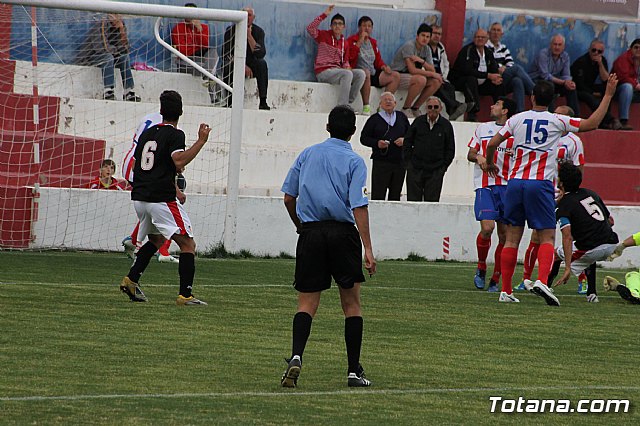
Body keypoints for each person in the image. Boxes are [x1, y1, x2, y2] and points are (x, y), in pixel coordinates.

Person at [485, 74, 617, 306]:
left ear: (532, 97)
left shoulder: (517, 119)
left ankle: (506, 291)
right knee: (547, 235)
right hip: (541, 184)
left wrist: (490, 162)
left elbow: (493, 143)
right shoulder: (557, 120)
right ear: (552, 99)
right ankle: (542, 281)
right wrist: (607, 95)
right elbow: (592, 123)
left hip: (515, 183)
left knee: (512, 238)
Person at [280, 105, 376, 388]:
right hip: (342, 235)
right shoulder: (355, 162)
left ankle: (296, 356)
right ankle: (353, 371)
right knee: (351, 304)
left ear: (327, 127)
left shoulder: (308, 154)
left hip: (311, 233)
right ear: (354, 131)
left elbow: (288, 197)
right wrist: (368, 249)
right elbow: (358, 205)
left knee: (307, 303)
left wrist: (300, 225)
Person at [119, 90, 211, 305]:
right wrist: (201, 141)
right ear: (180, 111)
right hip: (160, 199)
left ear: (161, 111)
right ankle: (185, 295)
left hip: (140, 198)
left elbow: (150, 167)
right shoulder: (175, 135)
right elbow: (178, 161)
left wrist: (175, 189)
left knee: (157, 239)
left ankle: (131, 281)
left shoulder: (147, 134)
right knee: (188, 244)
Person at [516, 105, 588, 294]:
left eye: (561, 115)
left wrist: (569, 192)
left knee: (575, 234)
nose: (556, 117)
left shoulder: (574, 141)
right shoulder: (547, 137)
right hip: (544, 190)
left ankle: (583, 279)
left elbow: (579, 168)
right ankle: (526, 279)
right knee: (537, 236)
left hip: (564, 194)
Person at [546, 162, 640, 302]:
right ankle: (592, 294)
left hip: (592, 248)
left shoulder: (565, 204)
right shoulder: (590, 193)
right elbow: (610, 221)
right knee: (589, 253)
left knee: (555, 254)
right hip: (611, 243)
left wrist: (567, 268)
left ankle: (546, 287)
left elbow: (567, 237)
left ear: (562, 183)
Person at [466, 97, 517, 292]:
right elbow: (471, 153)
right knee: (487, 228)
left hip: (508, 187)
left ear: (505, 111)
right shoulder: (482, 128)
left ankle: (496, 278)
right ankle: (481, 267)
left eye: (496, 104)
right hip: (485, 185)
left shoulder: (516, 132)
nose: (492, 106)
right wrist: (479, 157)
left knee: (504, 235)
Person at [121, 110, 182, 264]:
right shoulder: (164, 128)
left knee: (149, 207)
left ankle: (134, 240)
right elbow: (160, 158)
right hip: (144, 166)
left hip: (132, 160)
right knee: (161, 204)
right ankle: (162, 250)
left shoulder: (148, 118)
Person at [307, 5, 365, 109]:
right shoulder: (323, 35)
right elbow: (310, 28)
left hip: (337, 71)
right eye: (334, 24)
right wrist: (324, 15)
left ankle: (348, 101)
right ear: (331, 26)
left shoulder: (345, 43)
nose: (337, 26)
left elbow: (345, 62)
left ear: (344, 27)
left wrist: (347, 67)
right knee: (347, 74)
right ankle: (342, 106)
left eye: (340, 24)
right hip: (323, 72)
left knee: (361, 74)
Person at [76, 14, 140, 102]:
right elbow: (101, 48)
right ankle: (108, 91)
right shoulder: (101, 23)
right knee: (108, 57)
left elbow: (125, 50)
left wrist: (121, 30)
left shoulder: (120, 25)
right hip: (92, 56)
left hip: (111, 55)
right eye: (116, 14)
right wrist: (116, 51)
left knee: (124, 57)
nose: (119, 17)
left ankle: (128, 91)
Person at [403, 96, 455, 202]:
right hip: (415, 169)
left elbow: (450, 149)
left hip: (435, 171)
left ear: (440, 108)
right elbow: (407, 142)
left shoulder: (446, 125)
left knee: (432, 204)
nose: (432, 109)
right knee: (413, 203)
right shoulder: (418, 122)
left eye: (436, 107)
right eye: (430, 107)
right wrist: (409, 164)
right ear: (426, 108)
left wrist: (443, 168)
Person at [360, 92, 410, 200]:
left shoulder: (401, 117)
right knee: (378, 193)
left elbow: (411, 136)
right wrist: (377, 143)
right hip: (381, 162)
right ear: (380, 104)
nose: (388, 101)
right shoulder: (374, 119)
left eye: (390, 100)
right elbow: (364, 138)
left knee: (395, 195)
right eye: (385, 100)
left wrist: (404, 140)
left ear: (395, 103)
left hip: (399, 162)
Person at [346, 16, 400, 115]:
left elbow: (377, 60)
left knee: (395, 76)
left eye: (369, 26)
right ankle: (366, 106)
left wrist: (384, 67)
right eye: (364, 25)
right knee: (365, 72)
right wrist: (360, 41)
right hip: (359, 73)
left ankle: (382, 107)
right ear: (359, 28)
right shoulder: (351, 40)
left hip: (372, 73)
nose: (367, 28)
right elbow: (350, 58)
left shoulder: (373, 42)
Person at [449, 29, 505, 122]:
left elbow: (493, 68)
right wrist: (488, 76)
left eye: (482, 37)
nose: (479, 39)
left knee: (499, 86)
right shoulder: (467, 50)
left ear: (487, 39)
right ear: (474, 38)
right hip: (462, 82)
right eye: (477, 37)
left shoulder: (488, 52)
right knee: (471, 79)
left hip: (481, 84)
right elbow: (467, 70)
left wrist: (496, 78)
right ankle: (472, 113)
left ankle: (500, 112)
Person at [389, 23, 443, 118]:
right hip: (398, 75)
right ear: (417, 36)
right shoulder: (409, 46)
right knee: (421, 79)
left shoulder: (427, 49)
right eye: (423, 35)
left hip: (411, 77)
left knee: (436, 81)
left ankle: (415, 108)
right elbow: (412, 70)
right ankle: (406, 108)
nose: (425, 39)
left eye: (427, 36)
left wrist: (422, 61)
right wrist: (432, 74)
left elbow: (432, 69)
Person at [222, 6, 270, 110]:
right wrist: (242, 66)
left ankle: (263, 101)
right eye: (245, 15)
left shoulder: (258, 31)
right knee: (227, 67)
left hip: (252, 62)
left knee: (262, 64)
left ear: (254, 17)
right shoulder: (231, 30)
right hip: (235, 62)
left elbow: (260, 53)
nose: (247, 18)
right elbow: (226, 54)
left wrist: (249, 36)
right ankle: (230, 101)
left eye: (249, 15)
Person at [171, 3, 219, 105]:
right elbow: (182, 50)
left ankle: (208, 79)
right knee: (213, 74)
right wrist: (194, 48)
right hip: (186, 61)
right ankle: (211, 87)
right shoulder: (178, 28)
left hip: (201, 62)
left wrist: (198, 30)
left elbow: (205, 45)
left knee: (213, 52)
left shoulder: (203, 27)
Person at [571, 40, 623, 130]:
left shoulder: (602, 61)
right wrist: (593, 93)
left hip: (590, 86)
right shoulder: (581, 62)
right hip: (578, 89)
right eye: (594, 50)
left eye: (599, 51)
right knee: (589, 96)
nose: (596, 53)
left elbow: (605, 79)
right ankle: (610, 119)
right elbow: (579, 84)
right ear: (589, 50)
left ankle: (604, 121)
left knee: (606, 89)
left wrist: (600, 64)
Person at [486, 22, 535, 113]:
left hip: (504, 76)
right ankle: (536, 91)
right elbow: (490, 65)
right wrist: (500, 67)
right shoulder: (486, 47)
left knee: (517, 81)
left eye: (498, 30)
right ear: (488, 33)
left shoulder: (503, 48)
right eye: (494, 30)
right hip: (493, 79)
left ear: (502, 34)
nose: (496, 33)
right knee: (516, 69)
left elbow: (510, 63)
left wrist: (504, 68)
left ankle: (519, 112)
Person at [529, 34, 580, 115]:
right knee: (549, 86)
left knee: (571, 88)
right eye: (555, 44)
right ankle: (551, 115)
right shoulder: (543, 54)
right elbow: (545, 75)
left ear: (563, 47)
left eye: (559, 45)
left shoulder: (565, 56)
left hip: (554, 81)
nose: (557, 47)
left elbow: (566, 75)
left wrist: (568, 82)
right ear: (550, 45)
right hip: (538, 81)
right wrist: (564, 82)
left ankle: (576, 118)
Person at [427, 24, 469, 121]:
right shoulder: (425, 47)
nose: (437, 36)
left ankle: (452, 110)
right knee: (439, 86)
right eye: (434, 33)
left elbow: (446, 64)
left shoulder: (441, 48)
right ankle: (455, 105)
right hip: (429, 77)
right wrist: (436, 77)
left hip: (440, 77)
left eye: (439, 34)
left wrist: (443, 77)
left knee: (450, 87)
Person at [611, 38, 640, 130]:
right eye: (636, 47)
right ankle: (623, 121)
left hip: (635, 92)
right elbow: (623, 77)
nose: (638, 50)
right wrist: (636, 85)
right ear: (630, 49)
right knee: (627, 87)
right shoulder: (623, 59)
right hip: (618, 90)